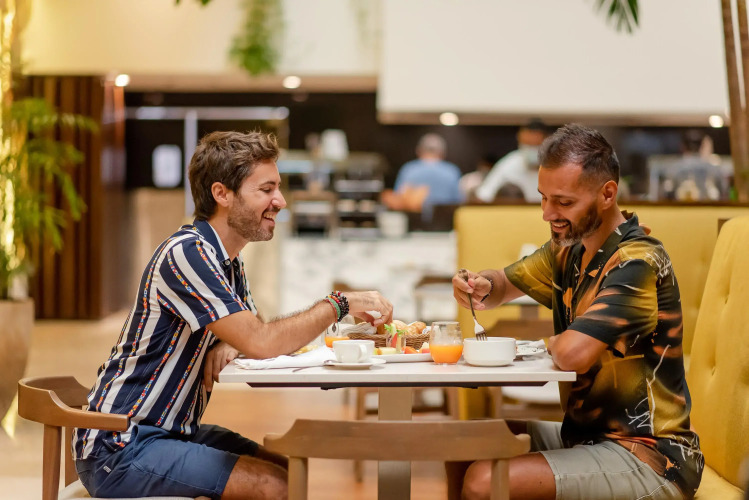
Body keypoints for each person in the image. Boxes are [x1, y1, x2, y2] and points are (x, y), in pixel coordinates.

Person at [72, 131, 393, 500]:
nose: (280, 201)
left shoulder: (228, 262)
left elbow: (253, 328)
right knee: (276, 487)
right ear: (222, 194)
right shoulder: (187, 253)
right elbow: (261, 340)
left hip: (170, 432)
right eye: (267, 189)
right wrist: (339, 303)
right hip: (122, 445)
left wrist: (233, 341)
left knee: (288, 472)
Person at [451, 124, 702, 500]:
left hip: (651, 457)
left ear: (607, 194)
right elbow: (502, 284)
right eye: (543, 198)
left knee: (483, 481)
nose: (547, 213)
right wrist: (479, 284)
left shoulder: (637, 261)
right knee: (463, 442)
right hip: (587, 438)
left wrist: (554, 341)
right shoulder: (569, 248)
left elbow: (572, 354)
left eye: (563, 202)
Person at [381, 133, 464, 222]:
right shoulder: (452, 171)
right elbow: (459, 201)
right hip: (445, 223)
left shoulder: (409, 169)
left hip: (413, 223)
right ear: (442, 153)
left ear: (418, 151)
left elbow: (398, 198)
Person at [474, 119, 547, 203]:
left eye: (535, 145)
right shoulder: (509, 164)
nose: (531, 150)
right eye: (527, 144)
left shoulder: (554, 166)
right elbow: (483, 196)